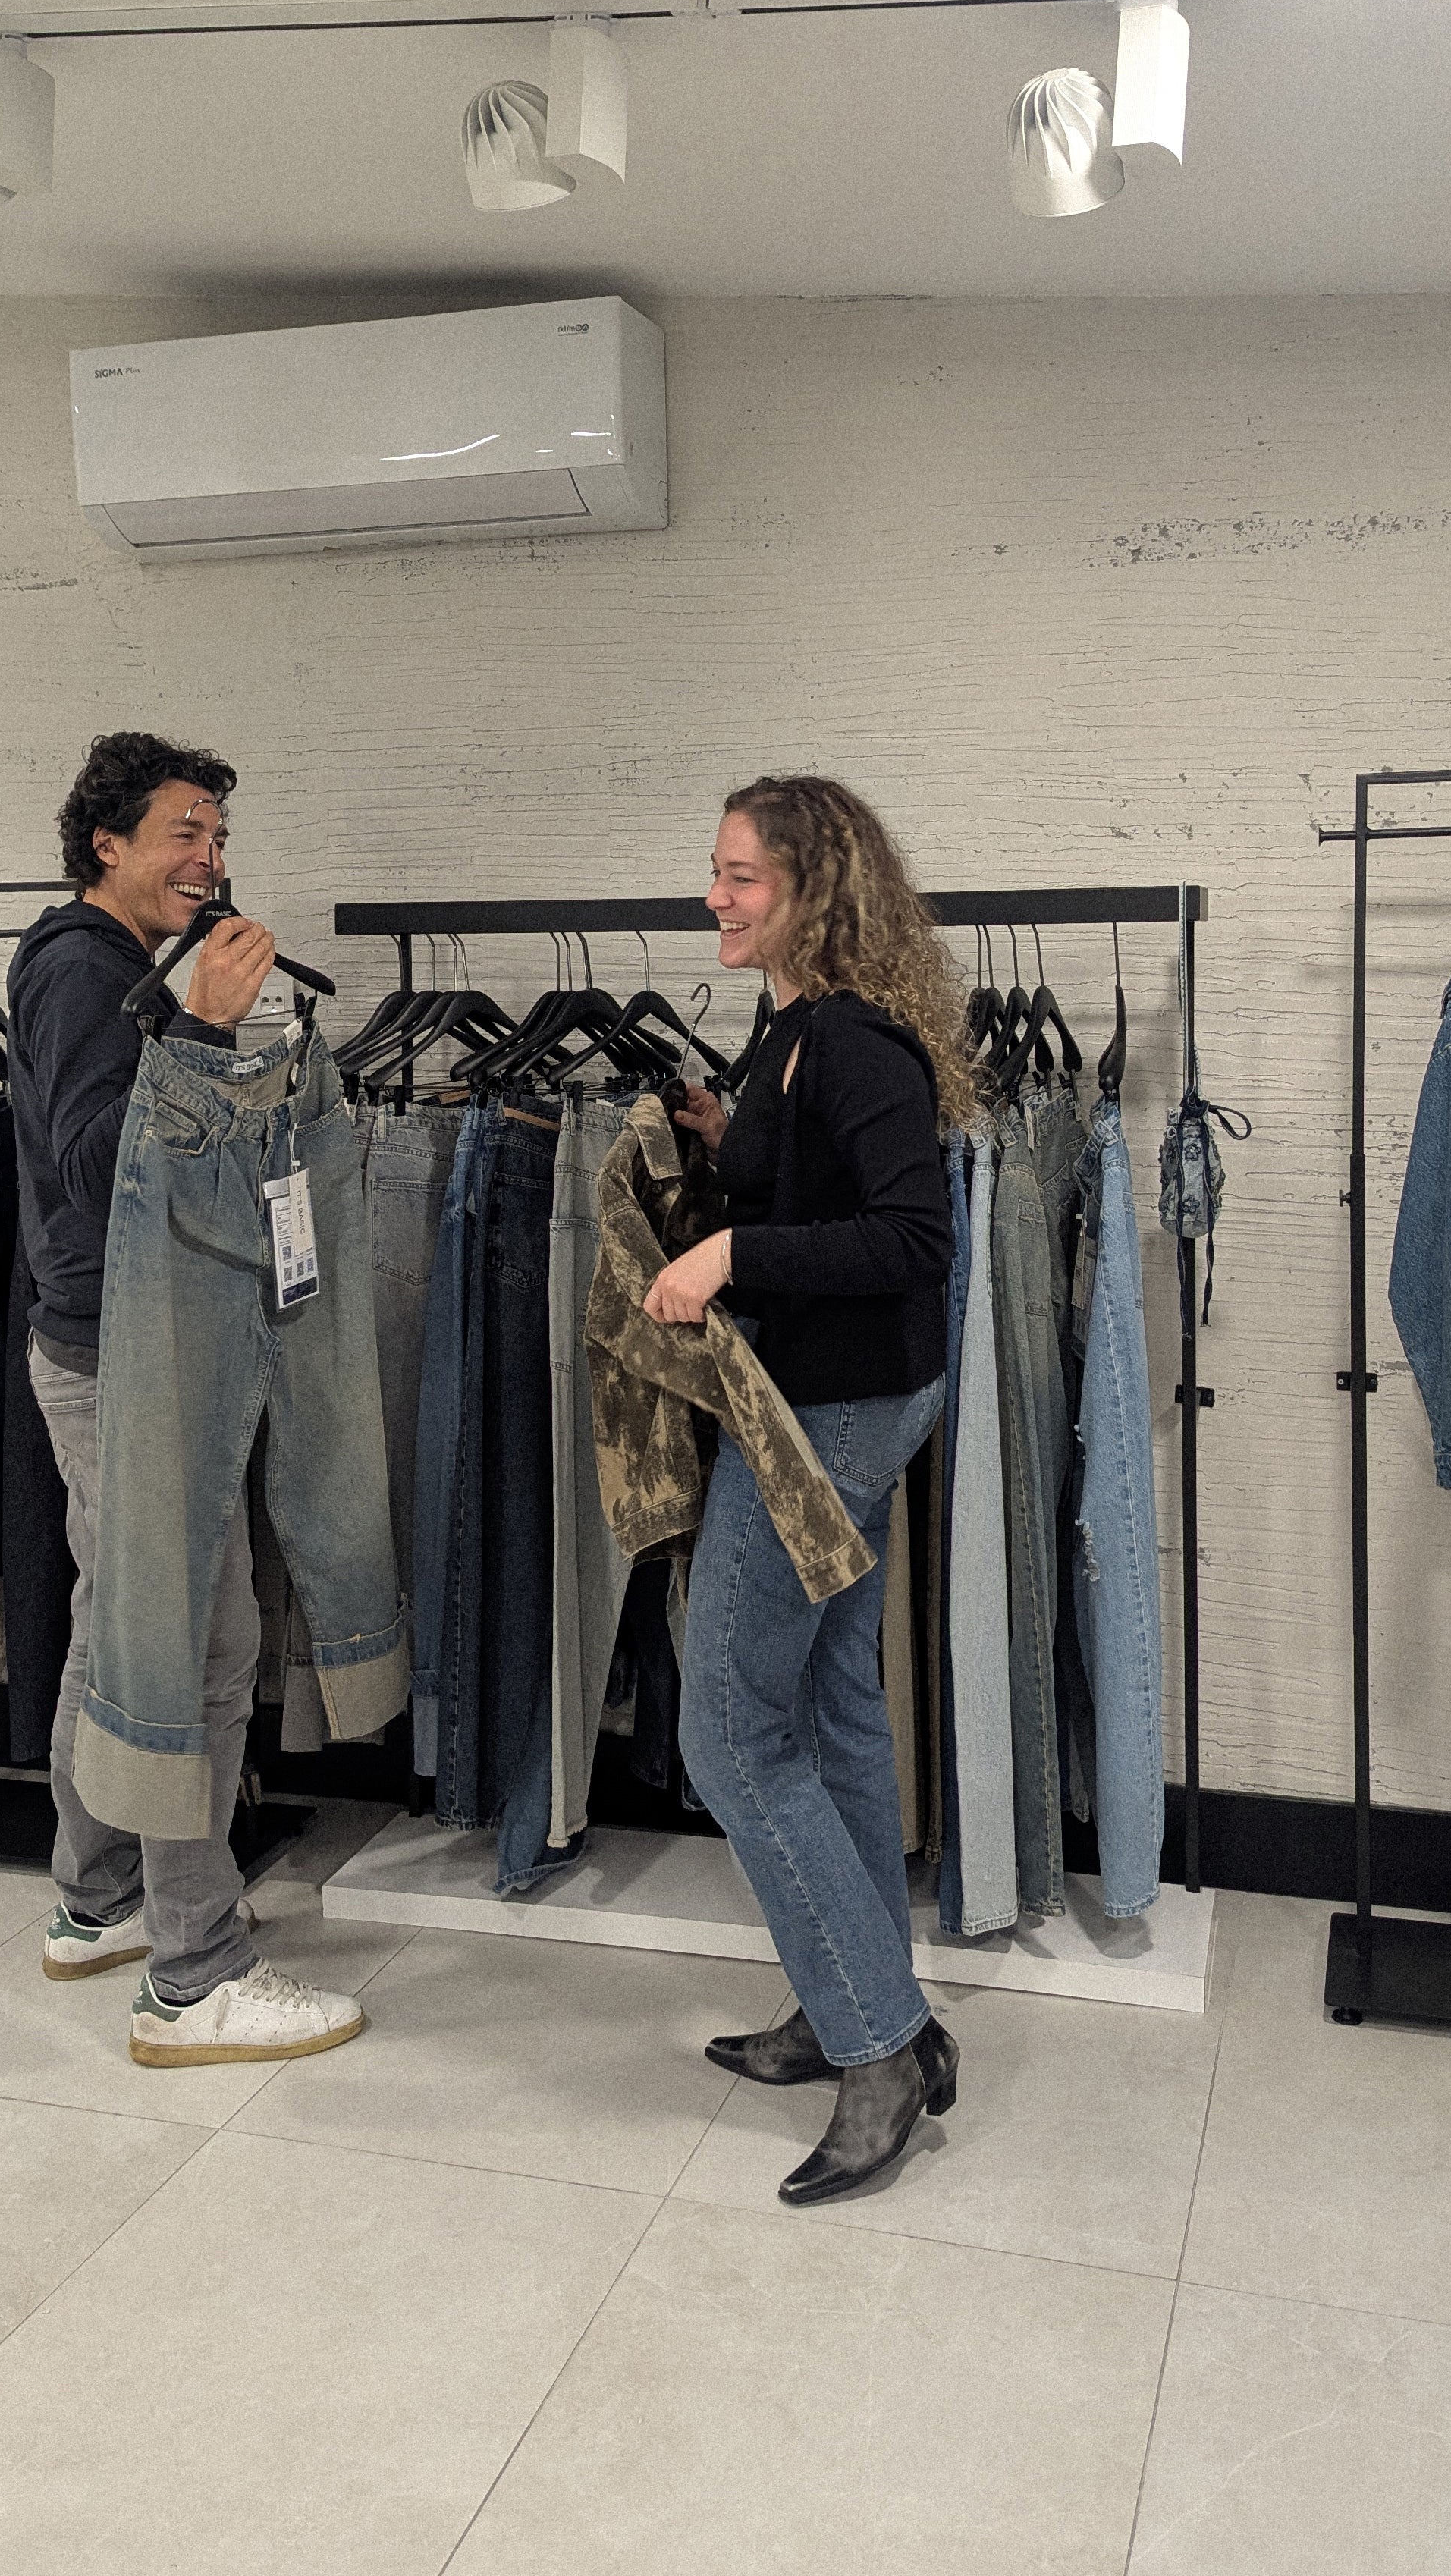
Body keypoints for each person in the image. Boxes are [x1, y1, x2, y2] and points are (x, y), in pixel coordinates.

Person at [9, 732, 363, 2067]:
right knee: (197, 1650)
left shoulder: (117, 966)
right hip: (121, 1361)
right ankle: (195, 1974)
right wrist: (203, 1028)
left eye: (218, 837)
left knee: (123, 1635)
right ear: (106, 844)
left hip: (120, 1347)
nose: (209, 859)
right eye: (183, 833)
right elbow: (98, 1163)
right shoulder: (80, 971)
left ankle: (98, 1901)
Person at [646, 774, 973, 2204]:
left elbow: (912, 1239)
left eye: (743, 878)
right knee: (835, 1704)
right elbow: (827, 1185)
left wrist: (733, 1253)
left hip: (831, 1421)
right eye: (715, 871)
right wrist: (730, 1146)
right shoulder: (789, 1027)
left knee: (728, 1729)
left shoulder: (851, 1039)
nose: (715, 897)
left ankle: (882, 2043)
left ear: (812, 890)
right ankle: (855, 1995)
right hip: (829, 1403)